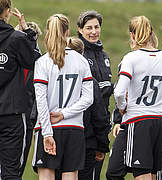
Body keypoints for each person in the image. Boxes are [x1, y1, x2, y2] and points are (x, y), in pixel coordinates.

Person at [106, 15, 162, 180]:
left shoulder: (131, 58)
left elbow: (119, 92)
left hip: (139, 120)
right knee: (152, 173)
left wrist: (122, 107)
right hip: (161, 122)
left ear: (132, 35)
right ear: (152, 33)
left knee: (141, 173)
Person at [33, 14, 93, 180]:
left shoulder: (42, 62)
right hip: (74, 129)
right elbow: (88, 99)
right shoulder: (81, 61)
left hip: (49, 128)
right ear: (67, 33)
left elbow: (41, 102)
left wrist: (47, 134)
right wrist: (65, 114)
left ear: (48, 32)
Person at [0, 1, 41, 179]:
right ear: (7, 11)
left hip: (11, 112)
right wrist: (29, 33)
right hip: (12, 113)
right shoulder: (16, 38)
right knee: (12, 171)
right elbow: (37, 62)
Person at [77, 11, 113, 178]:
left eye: (96, 27)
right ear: (80, 30)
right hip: (84, 125)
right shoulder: (79, 55)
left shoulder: (103, 55)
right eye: (88, 28)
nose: (93, 32)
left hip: (100, 123)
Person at [15, 20, 42, 178]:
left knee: (19, 162)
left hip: (27, 117)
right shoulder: (9, 60)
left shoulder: (39, 64)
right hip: (8, 112)